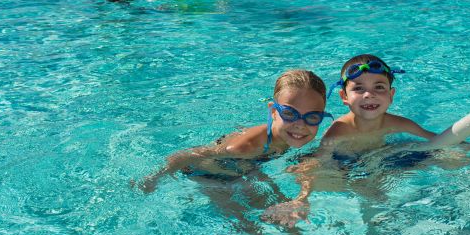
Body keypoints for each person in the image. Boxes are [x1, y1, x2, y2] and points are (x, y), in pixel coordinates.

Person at [262, 54, 470, 225]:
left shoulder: (399, 123)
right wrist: (302, 198)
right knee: (341, 180)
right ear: (344, 98)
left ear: (391, 96)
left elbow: (445, 140)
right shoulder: (339, 130)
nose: (369, 95)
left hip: (383, 158)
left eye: (378, 88)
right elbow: (318, 163)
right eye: (359, 89)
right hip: (346, 164)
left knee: (454, 157)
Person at [136, 69, 332, 193]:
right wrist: (154, 177)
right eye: (290, 114)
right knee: (249, 226)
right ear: (273, 111)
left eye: (312, 117)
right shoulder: (244, 147)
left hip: (247, 168)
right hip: (209, 174)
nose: (300, 124)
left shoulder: (282, 138)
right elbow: (191, 155)